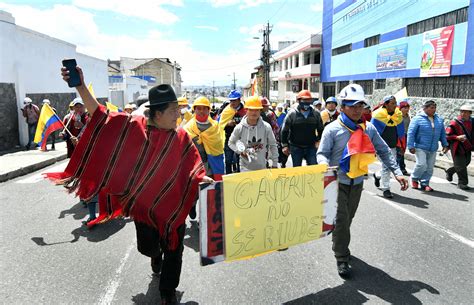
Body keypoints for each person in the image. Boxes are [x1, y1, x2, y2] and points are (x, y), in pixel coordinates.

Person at [52, 65, 213, 305]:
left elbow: (192, 166)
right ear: (157, 114)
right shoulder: (134, 128)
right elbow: (100, 114)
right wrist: (80, 85)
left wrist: (202, 179)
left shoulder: (180, 136)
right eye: (173, 112)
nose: (178, 116)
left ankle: (168, 291)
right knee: (148, 247)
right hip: (144, 207)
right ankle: (154, 254)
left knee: (175, 250)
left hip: (173, 206)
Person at [317, 84, 408, 278]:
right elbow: (322, 154)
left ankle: (339, 241)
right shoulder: (332, 129)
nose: (358, 110)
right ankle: (342, 257)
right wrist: (325, 165)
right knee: (341, 221)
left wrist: (397, 172)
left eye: (360, 105)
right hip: (337, 183)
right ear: (342, 107)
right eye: (352, 106)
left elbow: (383, 150)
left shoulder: (369, 129)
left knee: (347, 219)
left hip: (357, 183)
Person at [183, 96, 225, 220]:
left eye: (204, 108)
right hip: (195, 165)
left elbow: (218, 147)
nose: (201, 111)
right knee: (194, 191)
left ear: (209, 110)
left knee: (209, 191)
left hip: (211, 165)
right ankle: (192, 205)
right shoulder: (188, 128)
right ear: (194, 110)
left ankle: (207, 220)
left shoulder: (215, 127)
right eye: (198, 108)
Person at [407, 100, 449, 192]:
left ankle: (425, 183)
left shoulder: (439, 119)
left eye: (434, 108)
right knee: (421, 164)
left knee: (429, 167)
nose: (434, 110)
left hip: (433, 148)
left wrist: (445, 144)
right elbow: (411, 133)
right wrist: (410, 146)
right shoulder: (417, 119)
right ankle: (414, 178)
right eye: (431, 108)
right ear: (425, 108)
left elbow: (442, 133)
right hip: (420, 146)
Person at [228, 96, 278, 171]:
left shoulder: (266, 127)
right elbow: (231, 143)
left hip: (262, 168)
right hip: (244, 169)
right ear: (246, 110)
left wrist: (274, 163)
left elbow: (273, 145)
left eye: (257, 110)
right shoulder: (239, 127)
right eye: (251, 109)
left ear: (260, 111)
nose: (254, 112)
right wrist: (240, 152)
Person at [371, 95, 405, 198]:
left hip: (393, 146)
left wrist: (402, 145)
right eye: (392, 103)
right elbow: (372, 133)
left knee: (388, 167)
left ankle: (377, 175)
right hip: (380, 147)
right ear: (386, 104)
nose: (395, 105)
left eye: (396, 103)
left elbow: (401, 132)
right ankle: (386, 189)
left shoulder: (398, 115)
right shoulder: (377, 115)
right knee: (387, 167)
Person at [281, 89, 324, 167]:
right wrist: (285, 145)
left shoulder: (316, 113)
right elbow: (284, 130)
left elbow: (321, 129)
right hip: (295, 147)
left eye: (308, 100)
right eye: (304, 100)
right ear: (299, 100)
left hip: (311, 146)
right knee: (297, 171)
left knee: (314, 169)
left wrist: (319, 140)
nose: (306, 102)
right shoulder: (292, 114)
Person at [445, 104, 473, 190]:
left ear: (470, 113)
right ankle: (462, 183)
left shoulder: (472, 121)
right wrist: (456, 137)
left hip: (468, 146)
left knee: (466, 163)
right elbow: (447, 135)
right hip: (457, 147)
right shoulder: (454, 122)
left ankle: (450, 171)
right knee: (461, 166)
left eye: (465, 112)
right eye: (462, 111)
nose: (463, 113)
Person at [219, 90, 247, 174]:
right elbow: (220, 124)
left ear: (239, 99)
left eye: (234, 100)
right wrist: (227, 124)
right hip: (229, 139)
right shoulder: (226, 111)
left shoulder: (245, 110)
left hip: (242, 139)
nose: (232, 102)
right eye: (231, 100)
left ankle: (240, 178)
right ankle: (228, 177)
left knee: (241, 161)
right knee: (228, 160)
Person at [396, 99, 411, 176]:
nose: (406, 109)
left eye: (407, 108)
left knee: (402, 152)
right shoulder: (397, 116)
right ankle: (401, 168)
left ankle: (399, 167)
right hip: (398, 136)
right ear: (400, 108)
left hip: (405, 136)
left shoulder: (408, 116)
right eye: (404, 108)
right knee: (399, 152)